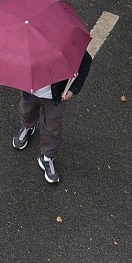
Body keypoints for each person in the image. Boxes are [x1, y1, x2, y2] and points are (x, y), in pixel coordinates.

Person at [12, 50, 93, 184]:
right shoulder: (25, 46)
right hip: (29, 90)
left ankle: (47, 157)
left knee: (53, 127)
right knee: (27, 111)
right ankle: (27, 127)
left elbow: (86, 61)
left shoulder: (64, 45)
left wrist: (74, 89)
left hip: (56, 96)